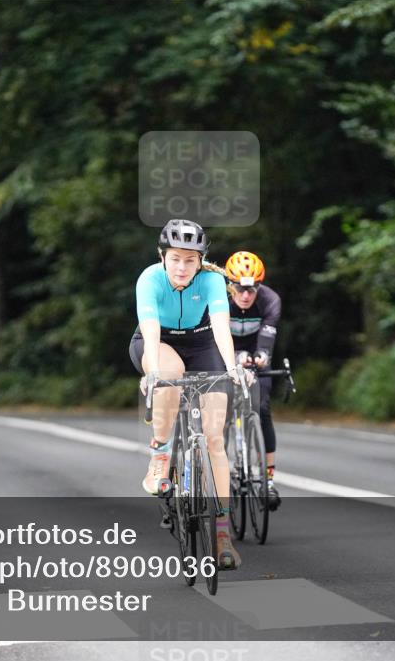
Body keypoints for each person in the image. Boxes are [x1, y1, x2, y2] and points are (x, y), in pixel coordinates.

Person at [131, 219, 249, 570]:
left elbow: (221, 327)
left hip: (202, 344)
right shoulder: (149, 279)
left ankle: (223, 535)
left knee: (215, 441)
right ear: (162, 257)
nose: (182, 267)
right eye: (175, 259)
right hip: (159, 343)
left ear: (200, 261)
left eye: (190, 260)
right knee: (169, 375)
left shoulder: (213, 280)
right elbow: (150, 330)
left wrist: (232, 370)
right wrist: (152, 372)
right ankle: (161, 456)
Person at [225, 251, 282, 510]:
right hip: (225, 354)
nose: (246, 295)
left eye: (252, 289)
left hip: (255, 354)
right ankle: (220, 470)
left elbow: (267, 340)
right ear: (230, 286)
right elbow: (214, 339)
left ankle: (267, 481)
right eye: (240, 289)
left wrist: (261, 356)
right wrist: (237, 357)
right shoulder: (220, 301)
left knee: (262, 409)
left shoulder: (270, 300)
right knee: (221, 413)